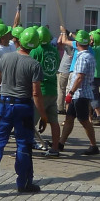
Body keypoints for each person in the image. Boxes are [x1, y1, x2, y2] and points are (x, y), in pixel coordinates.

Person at [0, 27, 47, 194]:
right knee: (23, 145)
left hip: (4, 105)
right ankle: (24, 183)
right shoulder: (34, 65)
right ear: (35, 45)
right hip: (23, 107)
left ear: (19, 41)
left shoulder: (6, 58)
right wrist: (43, 116)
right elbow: (36, 93)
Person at [59, 29, 100, 155]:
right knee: (69, 118)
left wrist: (70, 93)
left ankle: (94, 145)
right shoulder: (89, 54)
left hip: (80, 94)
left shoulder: (83, 58)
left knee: (84, 121)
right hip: (80, 93)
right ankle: (60, 143)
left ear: (78, 43)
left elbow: (80, 77)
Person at [31, 25, 61, 156]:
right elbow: (57, 65)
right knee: (54, 121)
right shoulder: (54, 50)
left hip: (40, 90)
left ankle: (24, 149)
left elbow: (30, 68)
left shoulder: (35, 50)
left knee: (30, 122)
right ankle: (55, 148)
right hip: (52, 89)